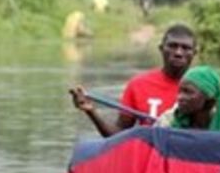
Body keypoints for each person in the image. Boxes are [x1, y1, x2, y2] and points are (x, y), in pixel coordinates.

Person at [69, 24, 197, 137]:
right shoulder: (138, 85)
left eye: (185, 48)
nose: (178, 53)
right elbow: (118, 135)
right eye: (173, 46)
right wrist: (91, 111)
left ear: (194, 53)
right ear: (161, 48)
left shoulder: (204, 89)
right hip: (149, 161)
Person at [155, 65, 220, 131]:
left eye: (188, 92)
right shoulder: (168, 121)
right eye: (180, 91)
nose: (179, 97)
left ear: (210, 101)